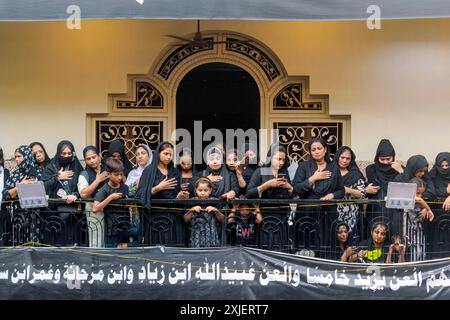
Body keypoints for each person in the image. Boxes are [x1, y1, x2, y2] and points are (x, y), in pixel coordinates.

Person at [292, 138, 344, 255]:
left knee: (326, 246)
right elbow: (296, 189)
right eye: (313, 149)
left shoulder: (333, 167)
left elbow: (341, 190)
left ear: (325, 150)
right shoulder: (304, 166)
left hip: (327, 214)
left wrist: (332, 195)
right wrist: (313, 179)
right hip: (307, 213)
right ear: (310, 152)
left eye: (319, 148)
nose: (316, 151)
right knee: (306, 247)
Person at [137, 141, 188, 246]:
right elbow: (140, 194)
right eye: (166, 154)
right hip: (154, 216)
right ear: (158, 154)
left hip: (172, 217)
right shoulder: (149, 171)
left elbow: (176, 193)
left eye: (170, 155)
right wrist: (158, 188)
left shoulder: (175, 172)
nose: (168, 157)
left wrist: (180, 196)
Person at [93, 158, 129, 248]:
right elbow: (95, 208)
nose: (120, 177)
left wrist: (128, 202)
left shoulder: (125, 188)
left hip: (124, 225)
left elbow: (128, 206)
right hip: (111, 228)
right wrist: (110, 198)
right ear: (108, 174)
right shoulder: (104, 189)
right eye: (116, 175)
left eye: (121, 174)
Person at [77, 146, 108, 248]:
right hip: (94, 211)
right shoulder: (84, 174)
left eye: (93, 157)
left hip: (111, 209)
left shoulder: (107, 169)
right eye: (88, 159)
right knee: (96, 239)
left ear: (99, 156)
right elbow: (83, 194)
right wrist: (97, 180)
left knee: (110, 238)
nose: (91, 161)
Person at [333, 146, 366, 235]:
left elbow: (362, 194)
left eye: (348, 158)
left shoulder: (355, 174)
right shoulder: (330, 171)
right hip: (331, 210)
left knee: (347, 236)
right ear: (337, 157)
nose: (344, 161)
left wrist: (348, 190)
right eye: (342, 157)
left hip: (349, 213)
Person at [184, 178, 224, 247]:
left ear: (210, 190)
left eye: (205, 190)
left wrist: (216, 210)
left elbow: (222, 219)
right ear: (196, 190)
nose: (202, 193)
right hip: (196, 234)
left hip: (211, 233)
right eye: (200, 190)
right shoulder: (191, 201)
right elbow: (186, 219)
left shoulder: (215, 201)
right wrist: (192, 210)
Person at [403, 177, 434, 261]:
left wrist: (424, 209)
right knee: (404, 251)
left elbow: (420, 200)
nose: (420, 196)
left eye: (422, 194)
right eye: (418, 193)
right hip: (406, 229)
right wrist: (428, 209)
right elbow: (419, 200)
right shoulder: (406, 197)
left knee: (419, 251)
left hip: (417, 229)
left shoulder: (420, 201)